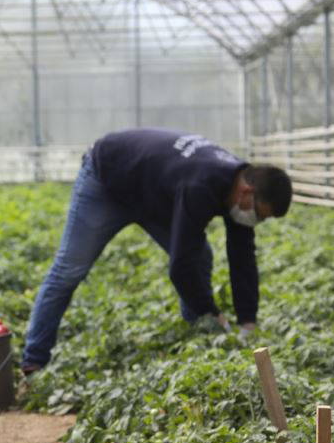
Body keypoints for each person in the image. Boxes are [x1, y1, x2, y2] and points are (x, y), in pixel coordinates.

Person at [21, 129, 292, 374]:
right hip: (107, 180)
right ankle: (34, 361)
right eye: (259, 215)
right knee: (69, 269)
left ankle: (199, 337)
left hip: (153, 192)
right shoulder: (201, 184)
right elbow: (180, 265)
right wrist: (212, 313)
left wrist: (248, 321)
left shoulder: (238, 184)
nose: (256, 221)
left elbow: (242, 257)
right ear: (247, 191)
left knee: (200, 257)